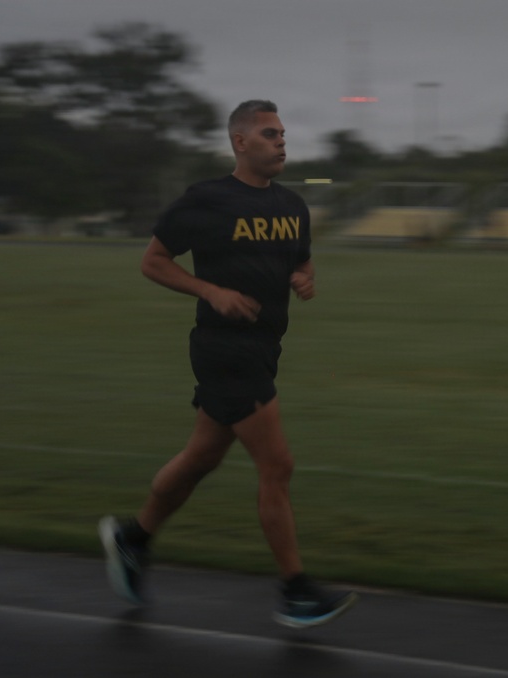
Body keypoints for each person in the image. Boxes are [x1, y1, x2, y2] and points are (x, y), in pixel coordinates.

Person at [99, 99, 356, 628]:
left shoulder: (292, 206)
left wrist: (305, 277)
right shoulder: (207, 201)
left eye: (283, 133)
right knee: (277, 465)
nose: (281, 141)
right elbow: (153, 262)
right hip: (224, 350)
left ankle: (133, 538)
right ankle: (295, 592)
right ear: (240, 142)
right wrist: (209, 290)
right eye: (269, 133)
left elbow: (301, 259)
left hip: (264, 348)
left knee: (201, 458)